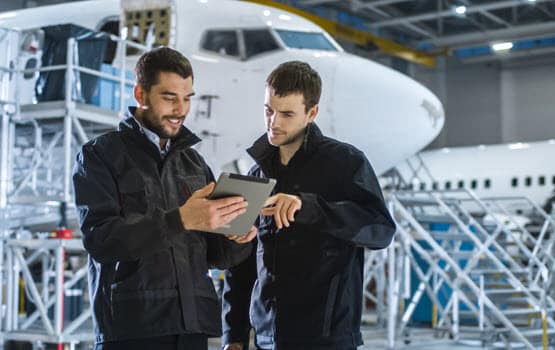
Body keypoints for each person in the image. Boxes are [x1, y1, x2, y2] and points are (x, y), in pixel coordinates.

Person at [72, 47, 256, 350]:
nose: (181, 109)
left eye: (187, 98)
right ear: (140, 94)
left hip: (192, 326)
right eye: (170, 98)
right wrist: (181, 218)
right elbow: (101, 240)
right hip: (134, 328)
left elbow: (216, 255)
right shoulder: (100, 155)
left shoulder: (194, 163)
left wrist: (237, 238)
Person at [222, 61, 396, 350]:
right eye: (268, 110)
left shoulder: (345, 163)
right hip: (268, 339)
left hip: (327, 339)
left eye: (287, 114)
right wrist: (234, 336)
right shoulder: (256, 176)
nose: (273, 122)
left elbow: (381, 230)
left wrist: (309, 207)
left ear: (311, 113)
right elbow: (240, 267)